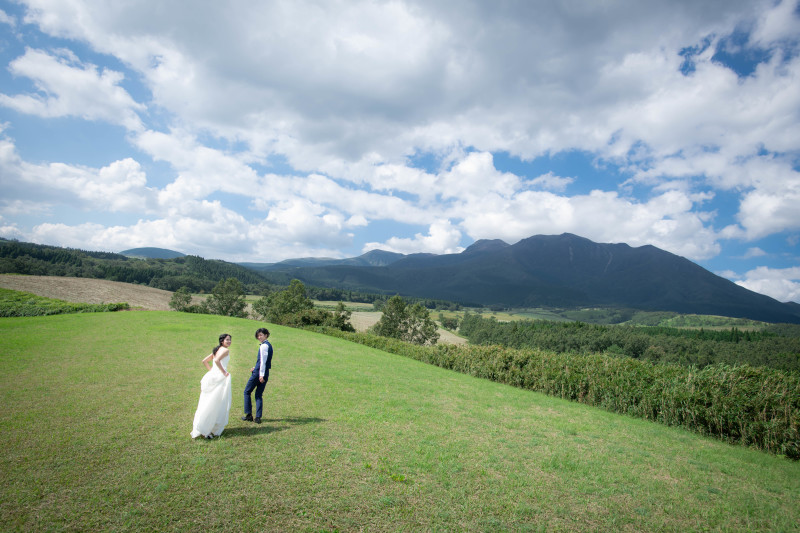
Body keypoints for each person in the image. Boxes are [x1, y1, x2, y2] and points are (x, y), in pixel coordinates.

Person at [190, 333, 232, 439]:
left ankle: (206, 427)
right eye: (227, 340)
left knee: (207, 401)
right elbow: (217, 361)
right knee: (215, 402)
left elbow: (205, 361)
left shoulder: (217, 350)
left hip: (212, 376)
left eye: (230, 340)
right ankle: (207, 429)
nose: (229, 341)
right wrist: (224, 372)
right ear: (222, 341)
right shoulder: (225, 350)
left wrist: (212, 371)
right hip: (220, 378)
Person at [241, 327, 273, 424]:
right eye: (258, 335)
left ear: (266, 335)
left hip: (259, 374)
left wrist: (260, 374)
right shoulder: (268, 345)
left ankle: (249, 415)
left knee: (247, 392)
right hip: (264, 372)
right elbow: (264, 361)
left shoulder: (263, 346)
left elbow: (263, 361)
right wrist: (256, 367)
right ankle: (258, 417)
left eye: (261, 335)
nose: (259, 337)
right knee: (258, 395)